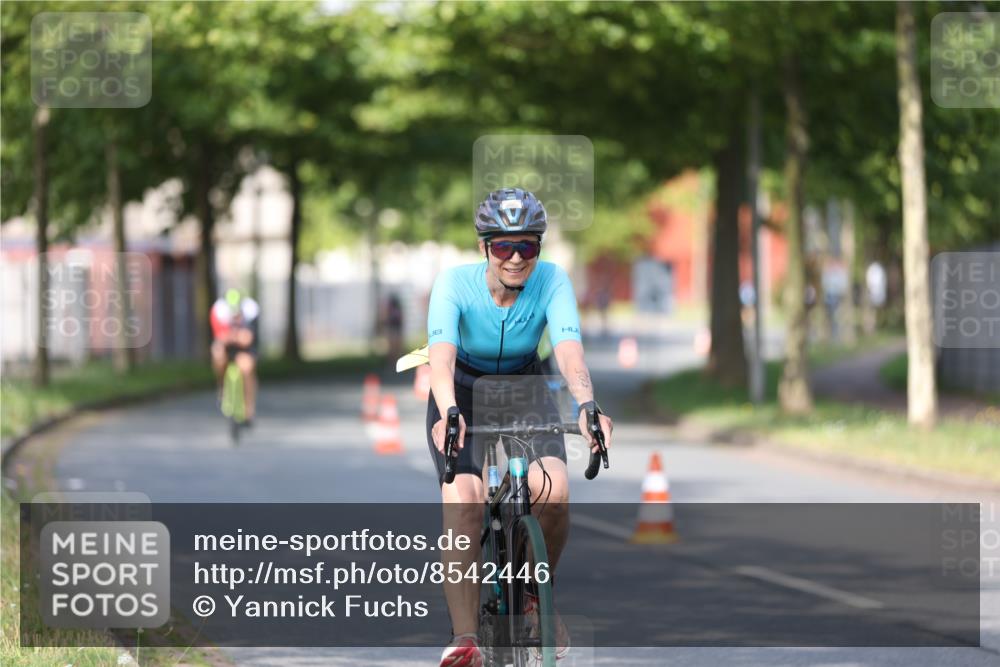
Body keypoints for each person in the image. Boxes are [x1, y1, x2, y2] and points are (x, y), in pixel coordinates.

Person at [427, 188, 613, 667]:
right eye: (502, 246)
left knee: (553, 490)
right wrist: (449, 411)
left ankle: (533, 596)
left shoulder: (552, 280)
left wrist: (587, 405)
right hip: (463, 393)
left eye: (526, 246)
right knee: (464, 501)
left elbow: (569, 351)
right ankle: (466, 637)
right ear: (483, 246)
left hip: (525, 391)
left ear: (540, 248)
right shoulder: (454, 284)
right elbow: (441, 359)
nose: (514, 258)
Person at [210, 288, 260, 425]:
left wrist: (231, 337)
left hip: (245, 350)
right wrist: (235, 337)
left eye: (238, 315)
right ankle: (221, 388)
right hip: (227, 348)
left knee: (247, 368)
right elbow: (220, 339)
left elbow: (248, 339)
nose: (235, 318)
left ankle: (249, 409)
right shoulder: (219, 311)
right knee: (217, 355)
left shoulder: (251, 311)